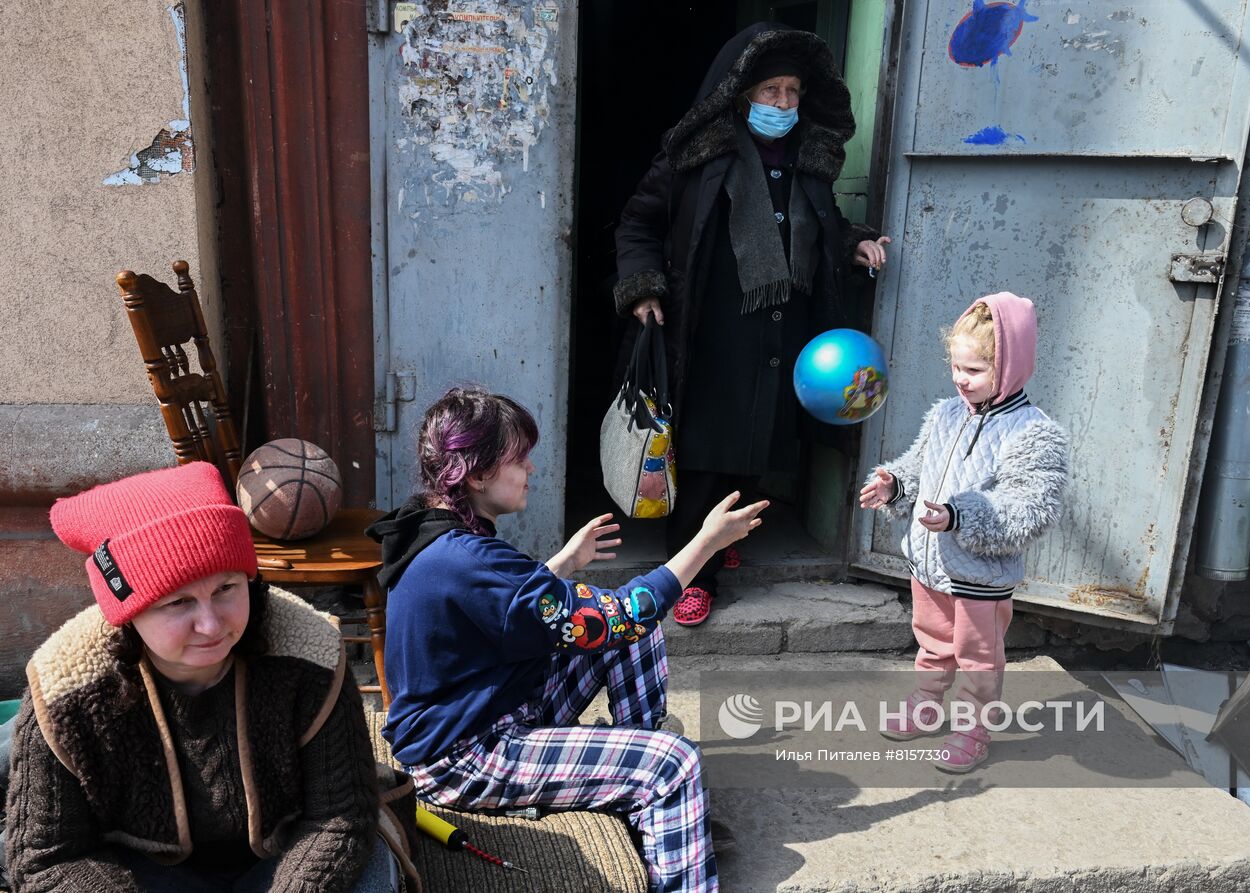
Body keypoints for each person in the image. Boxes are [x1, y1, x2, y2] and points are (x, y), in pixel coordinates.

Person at [367, 385, 767, 893]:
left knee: (622, 636)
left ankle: (641, 795)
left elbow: (507, 609)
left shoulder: (435, 533)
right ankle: (659, 793)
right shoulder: (467, 560)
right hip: (465, 756)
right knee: (674, 760)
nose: (531, 469)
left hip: (489, 706)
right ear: (478, 472)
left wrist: (562, 565)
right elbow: (614, 617)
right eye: (520, 459)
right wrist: (706, 543)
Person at [4, 461, 410, 893]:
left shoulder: (309, 656)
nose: (212, 625)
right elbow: (48, 854)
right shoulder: (65, 687)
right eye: (178, 603)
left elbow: (340, 814)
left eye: (226, 589)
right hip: (137, 867)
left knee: (370, 875)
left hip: (282, 854)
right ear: (127, 612)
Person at [613, 22, 892, 626]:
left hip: (781, 323)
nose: (784, 104)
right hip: (712, 327)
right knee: (707, 449)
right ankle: (692, 573)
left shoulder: (808, 158)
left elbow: (816, 226)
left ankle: (728, 534)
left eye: (793, 91)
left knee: (757, 440)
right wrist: (642, 289)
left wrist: (854, 244)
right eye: (771, 91)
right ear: (741, 94)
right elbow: (637, 224)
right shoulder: (699, 155)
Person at [858, 293, 1069, 773]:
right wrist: (895, 485)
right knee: (931, 639)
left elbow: (1030, 509)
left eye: (973, 371)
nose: (959, 379)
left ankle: (974, 725)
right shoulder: (946, 414)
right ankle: (928, 699)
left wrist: (960, 516)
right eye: (955, 367)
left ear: (1009, 367)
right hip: (929, 564)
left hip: (980, 577)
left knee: (978, 656)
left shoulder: (1034, 434)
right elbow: (920, 466)